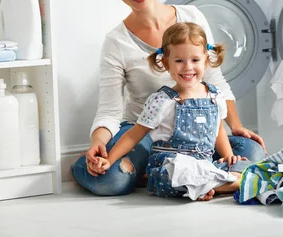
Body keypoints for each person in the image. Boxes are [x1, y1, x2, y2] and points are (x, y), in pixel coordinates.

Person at [71, 0, 266, 196]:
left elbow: (215, 81)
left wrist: (236, 125)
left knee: (251, 150)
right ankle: (200, 178)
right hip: (145, 131)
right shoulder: (116, 42)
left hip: (198, 131)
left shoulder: (192, 17)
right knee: (110, 181)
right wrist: (98, 142)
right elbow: (109, 110)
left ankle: (179, 176)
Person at [93, 22, 247, 201]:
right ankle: (223, 184)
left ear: (206, 60)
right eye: (179, 61)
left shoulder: (215, 95)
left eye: (195, 60)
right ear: (166, 63)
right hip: (172, 166)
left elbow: (218, 129)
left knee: (241, 164)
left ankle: (206, 185)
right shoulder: (162, 100)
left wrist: (228, 157)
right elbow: (133, 135)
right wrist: (110, 160)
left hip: (204, 164)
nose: (188, 67)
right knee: (176, 174)